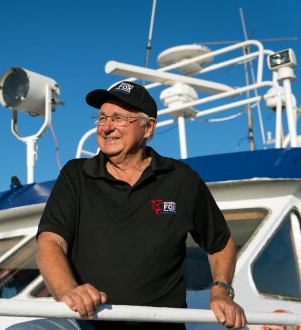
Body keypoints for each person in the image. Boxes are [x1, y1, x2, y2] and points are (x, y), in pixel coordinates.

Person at [36, 81, 247, 329]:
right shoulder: (76, 175)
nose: (106, 127)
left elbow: (220, 243)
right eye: (102, 117)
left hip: (160, 325)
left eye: (119, 118)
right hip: (89, 321)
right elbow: (50, 241)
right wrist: (69, 290)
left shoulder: (181, 179)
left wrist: (221, 291)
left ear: (148, 128)